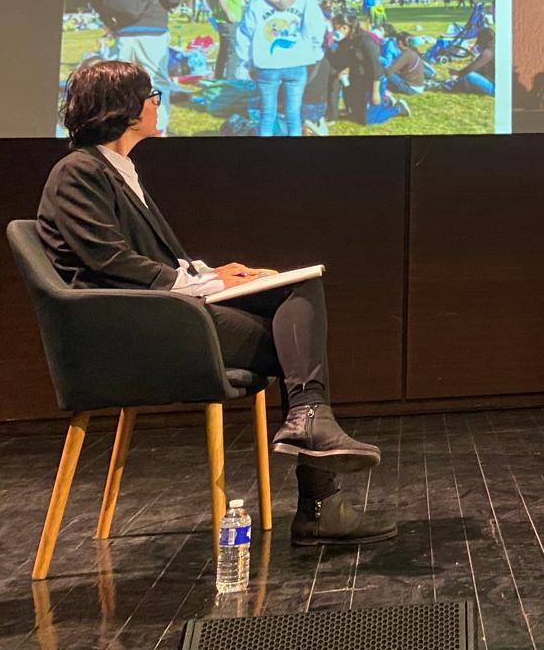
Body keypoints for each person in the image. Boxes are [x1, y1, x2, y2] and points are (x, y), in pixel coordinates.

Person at [38, 59, 394, 546]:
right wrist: (208, 283)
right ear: (124, 109)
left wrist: (213, 272)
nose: (157, 104)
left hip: (160, 315)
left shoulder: (116, 171)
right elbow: (109, 261)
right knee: (295, 347)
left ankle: (311, 430)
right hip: (134, 330)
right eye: (152, 95)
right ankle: (319, 495)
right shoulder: (77, 173)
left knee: (298, 290)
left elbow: (149, 261)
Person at [90, 0, 182, 135]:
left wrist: (110, 23)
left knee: (122, 83)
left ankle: (119, 129)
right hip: (153, 31)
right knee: (156, 81)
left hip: (124, 33)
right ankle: (158, 129)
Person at [234, 0, 328, 137]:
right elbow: (316, 29)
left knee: (267, 115)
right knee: (293, 115)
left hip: (266, 64)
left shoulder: (257, 1)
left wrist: (248, 63)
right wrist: (311, 51)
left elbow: (245, 34)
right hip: (296, 63)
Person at [209, 0, 247, 81]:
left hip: (222, 22)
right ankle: (230, 81)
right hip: (229, 22)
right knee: (233, 52)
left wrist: (215, 12)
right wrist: (228, 13)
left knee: (224, 51)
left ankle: (218, 78)